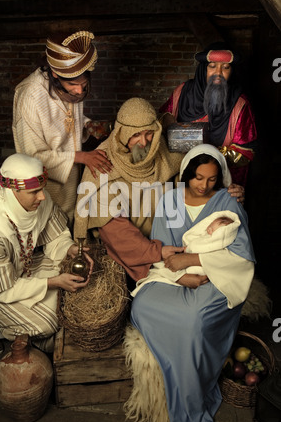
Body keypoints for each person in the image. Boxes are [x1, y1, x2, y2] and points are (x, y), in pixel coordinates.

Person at [129, 144, 255, 422]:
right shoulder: (170, 201)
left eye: (212, 179)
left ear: (220, 177)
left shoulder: (227, 202)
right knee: (142, 305)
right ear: (187, 173)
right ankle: (174, 362)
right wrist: (181, 275)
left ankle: (190, 392)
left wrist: (193, 259)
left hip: (216, 278)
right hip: (174, 274)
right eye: (198, 177)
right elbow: (163, 250)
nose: (204, 185)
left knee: (194, 321)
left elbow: (241, 256)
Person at [74, 98, 245, 287]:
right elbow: (117, 233)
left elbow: (198, 183)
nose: (144, 142)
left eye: (149, 134)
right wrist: (159, 254)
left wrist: (225, 193)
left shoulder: (166, 153)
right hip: (135, 249)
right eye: (136, 135)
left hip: (172, 239)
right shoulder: (103, 163)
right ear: (122, 133)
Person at [0, 154, 93, 355]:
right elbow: (1, 289)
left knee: (65, 296)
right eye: (34, 192)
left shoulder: (40, 201)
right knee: (48, 323)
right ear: (12, 191)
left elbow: (54, 237)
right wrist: (53, 282)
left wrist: (69, 249)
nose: (42, 196)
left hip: (23, 268)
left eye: (41, 189)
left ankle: (39, 341)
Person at [12, 30, 112, 227]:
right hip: (43, 182)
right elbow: (32, 155)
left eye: (84, 85)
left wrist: (87, 124)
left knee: (66, 222)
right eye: (73, 85)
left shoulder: (71, 86)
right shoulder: (29, 96)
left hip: (69, 175)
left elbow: (64, 117)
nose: (79, 91)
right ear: (55, 73)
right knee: (45, 224)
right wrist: (82, 156)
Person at [159, 41, 257, 186]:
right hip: (179, 177)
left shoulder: (239, 104)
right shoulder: (182, 93)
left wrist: (207, 154)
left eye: (226, 67)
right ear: (203, 69)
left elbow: (245, 153)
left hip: (217, 182)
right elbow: (158, 127)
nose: (218, 73)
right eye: (212, 66)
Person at [135, 210, 240, 287]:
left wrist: (189, 251)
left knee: (166, 268)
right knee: (164, 264)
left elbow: (198, 247)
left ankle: (170, 274)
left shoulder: (216, 241)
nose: (208, 230)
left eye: (212, 229)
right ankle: (170, 273)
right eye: (209, 227)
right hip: (190, 261)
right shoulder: (206, 237)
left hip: (201, 269)